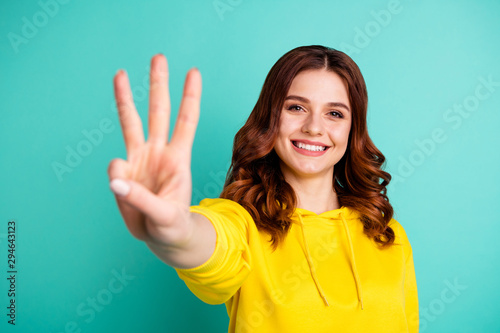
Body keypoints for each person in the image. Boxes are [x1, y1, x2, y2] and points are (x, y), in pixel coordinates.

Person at [108, 45, 419, 332]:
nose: (314, 127)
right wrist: (176, 230)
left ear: (353, 129)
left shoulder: (389, 234)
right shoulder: (243, 224)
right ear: (271, 117)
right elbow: (206, 241)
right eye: (296, 108)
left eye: (334, 113)